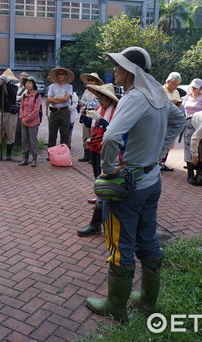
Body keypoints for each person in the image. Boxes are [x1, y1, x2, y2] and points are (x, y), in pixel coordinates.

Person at [85, 47, 185, 321]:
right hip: (151, 180)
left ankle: (116, 304)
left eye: (118, 66)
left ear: (131, 70)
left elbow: (110, 138)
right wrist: (158, 150)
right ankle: (148, 301)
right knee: (148, 240)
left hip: (127, 185)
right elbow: (179, 120)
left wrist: (106, 171)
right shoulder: (158, 95)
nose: (114, 70)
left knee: (120, 244)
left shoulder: (134, 97)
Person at [76, 83, 118, 237]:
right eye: (99, 98)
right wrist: (84, 114)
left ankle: (98, 217)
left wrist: (101, 120)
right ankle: (99, 197)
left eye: (102, 98)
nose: (99, 101)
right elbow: (90, 124)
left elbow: (113, 129)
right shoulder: (100, 108)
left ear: (109, 99)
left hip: (107, 147)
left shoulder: (116, 111)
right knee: (96, 173)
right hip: (94, 144)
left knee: (105, 178)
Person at [46, 67, 74, 154]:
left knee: (65, 133)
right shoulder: (52, 86)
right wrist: (60, 98)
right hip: (54, 111)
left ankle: (63, 153)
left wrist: (55, 98)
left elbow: (66, 99)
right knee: (52, 133)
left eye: (62, 74)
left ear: (65, 76)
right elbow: (48, 99)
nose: (60, 76)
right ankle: (51, 153)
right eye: (59, 74)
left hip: (64, 111)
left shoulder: (69, 86)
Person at [77, 73, 103, 162]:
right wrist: (84, 104)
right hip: (86, 113)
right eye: (89, 80)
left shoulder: (99, 91)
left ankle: (93, 156)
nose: (90, 82)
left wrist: (86, 104)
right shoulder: (86, 91)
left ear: (96, 81)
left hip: (95, 114)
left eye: (92, 80)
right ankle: (86, 154)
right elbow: (81, 100)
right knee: (85, 134)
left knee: (94, 134)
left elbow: (97, 103)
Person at [159, 72, 182, 171]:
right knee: (161, 141)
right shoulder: (160, 90)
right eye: (174, 84)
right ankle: (157, 161)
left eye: (177, 85)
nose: (175, 87)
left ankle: (162, 162)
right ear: (168, 81)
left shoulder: (176, 92)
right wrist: (170, 103)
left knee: (171, 143)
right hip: (162, 120)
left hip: (173, 122)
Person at [18, 76, 41, 167]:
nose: (27, 85)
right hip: (24, 121)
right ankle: (25, 158)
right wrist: (22, 118)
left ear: (33, 85)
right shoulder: (24, 95)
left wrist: (27, 119)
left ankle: (34, 158)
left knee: (32, 140)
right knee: (24, 140)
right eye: (26, 83)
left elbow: (36, 110)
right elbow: (21, 107)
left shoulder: (37, 95)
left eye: (30, 83)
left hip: (33, 121)